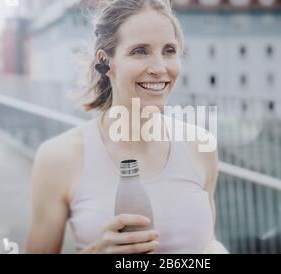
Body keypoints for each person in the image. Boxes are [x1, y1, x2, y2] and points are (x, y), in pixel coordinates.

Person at [26, 0, 227, 254]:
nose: (159, 68)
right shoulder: (57, 158)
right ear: (105, 62)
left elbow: (208, 245)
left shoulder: (202, 146)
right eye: (140, 51)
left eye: (169, 50)